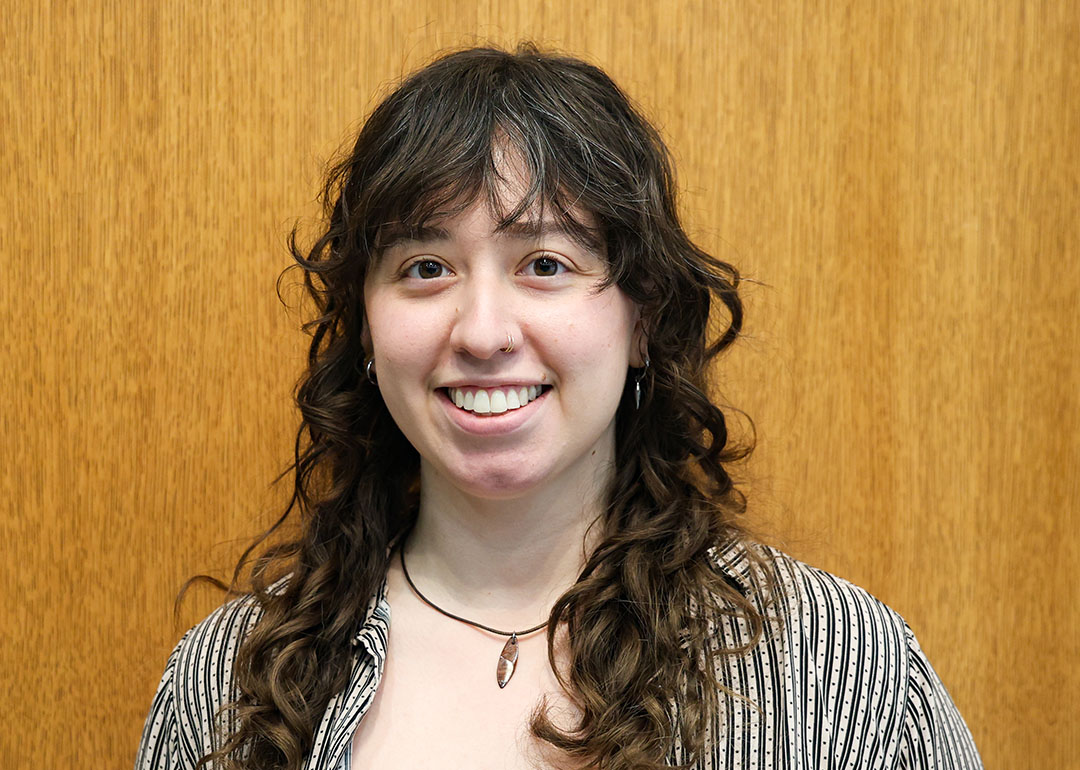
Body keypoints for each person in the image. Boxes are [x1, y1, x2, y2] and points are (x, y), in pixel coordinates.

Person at [135, 44, 983, 770]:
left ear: (642, 319)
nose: (482, 331)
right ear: (365, 324)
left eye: (544, 262)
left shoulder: (843, 674)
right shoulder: (226, 688)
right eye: (426, 267)